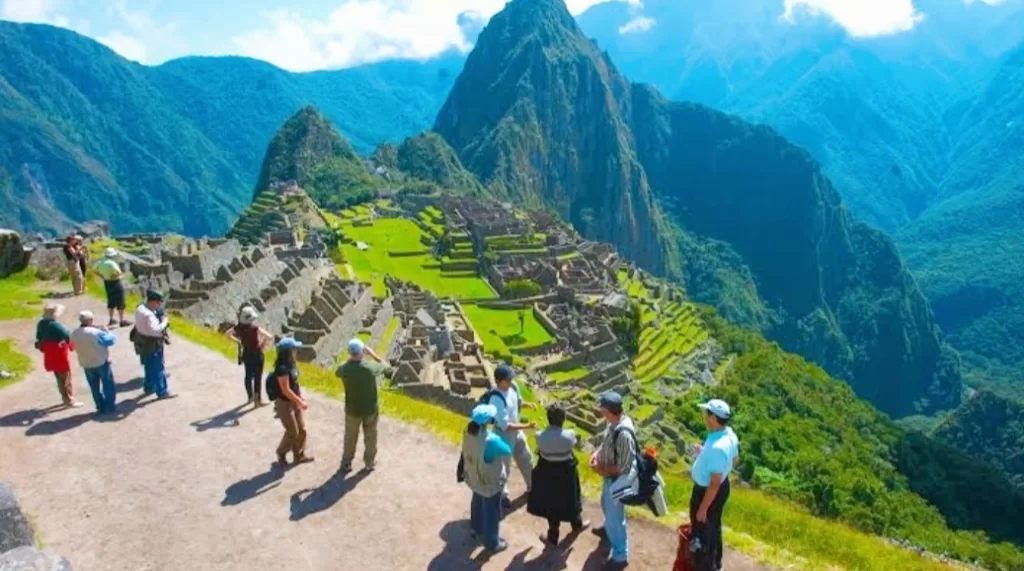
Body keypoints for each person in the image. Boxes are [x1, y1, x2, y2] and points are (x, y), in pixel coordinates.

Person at [589, 391, 638, 570]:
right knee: (605, 505)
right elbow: (607, 443)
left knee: (615, 519)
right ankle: (608, 532)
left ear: (609, 411)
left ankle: (619, 556)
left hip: (617, 481)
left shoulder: (623, 433)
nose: (600, 410)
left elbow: (625, 466)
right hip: (609, 478)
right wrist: (597, 454)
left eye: (602, 407)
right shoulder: (612, 424)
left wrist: (600, 469)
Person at [527, 404, 589, 546]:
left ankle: (553, 535)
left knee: (552, 504)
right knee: (572, 499)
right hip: (566, 474)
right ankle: (577, 525)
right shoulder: (570, 436)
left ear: (548, 419)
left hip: (548, 474)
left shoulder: (540, 437)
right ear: (563, 419)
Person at [689, 399, 740, 571]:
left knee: (702, 532)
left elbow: (714, 483)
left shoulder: (717, 447)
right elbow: (734, 460)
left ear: (712, 418)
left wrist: (703, 508)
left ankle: (704, 566)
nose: (705, 416)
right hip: (722, 487)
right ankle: (716, 564)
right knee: (714, 526)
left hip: (707, 492)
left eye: (707, 413)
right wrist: (704, 454)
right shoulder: (729, 435)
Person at [461, 403, 512, 554]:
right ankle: (492, 543)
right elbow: (507, 450)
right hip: (489, 482)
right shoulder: (491, 440)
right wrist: (497, 434)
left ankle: (476, 529)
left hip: (473, 477)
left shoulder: (467, 431)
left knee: (477, 501)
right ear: (488, 421)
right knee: (492, 511)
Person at [335, 338, 392, 474]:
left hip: (352, 409)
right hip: (370, 409)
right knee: (371, 436)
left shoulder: (345, 369)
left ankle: (346, 463)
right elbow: (387, 369)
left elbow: (338, 371)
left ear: (349, 353)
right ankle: (369, 462)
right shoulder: (370, 367)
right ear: (362, 351)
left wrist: (350, 358)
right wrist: (373, 354)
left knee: (350, 437)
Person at [487, 364, 535, 508]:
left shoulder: (513, 387)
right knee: (504, 467)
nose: (510, 381)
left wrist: (528, 405)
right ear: (499, 381)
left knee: (526, 458)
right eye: (507, 380)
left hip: (516, 431)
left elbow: (517, 403)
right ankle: (503, 496)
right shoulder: (496, 399)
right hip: (503, 435)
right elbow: (505, 425)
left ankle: (533, 488)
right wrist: (527, 426)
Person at [268, 337, 314, 467]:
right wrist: (300, 401)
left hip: (294, 400)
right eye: (294, 349)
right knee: (292, 431)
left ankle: (299, 455)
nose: (296, 351)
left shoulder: (291, 364)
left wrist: (300, 397)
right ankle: (281, 452)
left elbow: (294, 384)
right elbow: (285, 390)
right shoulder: (282, 368)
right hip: (284, 403)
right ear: (288, 351)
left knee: (302, 429)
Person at [70, 310, 117, 415]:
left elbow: (71, 347)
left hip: (86, 363)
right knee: (108, 384)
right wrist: (107, 331)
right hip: (101, 361)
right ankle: (110, 406)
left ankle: (100, 406)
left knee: (94, 387)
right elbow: (111, 341)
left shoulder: (74, 333)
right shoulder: (96, 333)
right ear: (90, 320)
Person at [35, 302, 82, 408]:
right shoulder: (55, 325)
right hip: (59, 353)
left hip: (49, 353)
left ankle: (65, 398)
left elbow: (38, 336)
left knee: (59, 376)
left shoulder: (41, 324)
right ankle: (69, 400)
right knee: (65, 377)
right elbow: (67, 336)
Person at [226, 307, 272, 406]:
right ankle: (257, 400)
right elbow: (269, 336)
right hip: (257, 353)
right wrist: (262, 342)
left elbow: (227, 334)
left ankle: (250, 397)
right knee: (257, 377)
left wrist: (238, 341)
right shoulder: (255, 328)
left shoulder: (238, 328)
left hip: (246, 353)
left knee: (248, 375)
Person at [133, 290, 174, 399]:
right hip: (152, 342)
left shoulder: (140, 308)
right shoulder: (149, 315)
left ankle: (149, 387)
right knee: (158, 367)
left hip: (142, 340)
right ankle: (162, 391)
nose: (159, 304)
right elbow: (156, 331)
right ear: (153, 301)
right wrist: (164, 322)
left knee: (148, 365)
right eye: (158, 302)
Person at [93, 247, 130, 327]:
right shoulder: (112, 263)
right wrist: (117, 276)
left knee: (111, 300)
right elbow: (118, 273)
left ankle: (111, 319)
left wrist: (102, 276)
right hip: (116, 282)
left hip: (107, 282)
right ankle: (121, 320)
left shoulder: (100, 262)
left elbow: (94, 270)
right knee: (120, 301)